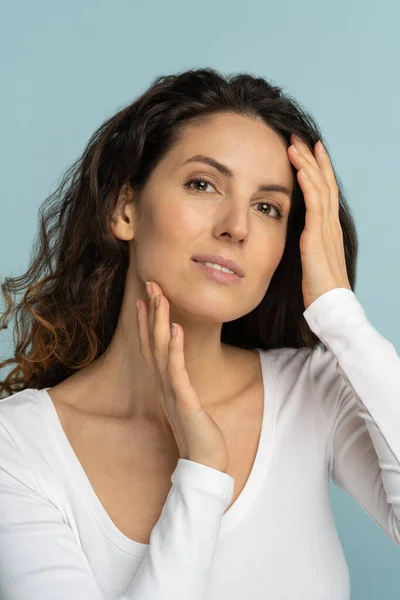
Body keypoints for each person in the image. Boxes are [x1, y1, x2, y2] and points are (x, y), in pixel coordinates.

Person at [0, 67, 399, 600]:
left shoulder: (313, 392)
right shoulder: (18, 447)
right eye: (203, 184)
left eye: (268, 208)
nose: (237, 226)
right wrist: (202, 472)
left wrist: (338, 313)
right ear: (125, 209)